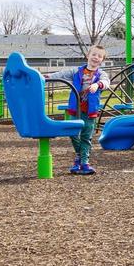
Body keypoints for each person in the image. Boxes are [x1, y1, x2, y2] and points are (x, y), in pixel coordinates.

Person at [47, 45, 112, 176]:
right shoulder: (77, 71)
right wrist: (46, 77)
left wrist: (97, 84)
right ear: (88, 55)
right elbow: (61, 74)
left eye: (99, 56)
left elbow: (106, 82)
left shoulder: (101, 74)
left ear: (102, 60)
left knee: (86, 136)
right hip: (75, 109)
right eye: (94, 54)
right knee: (73, 133)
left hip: (90, 110)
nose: (96, 58)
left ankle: (84, 162)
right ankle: (78, 155)